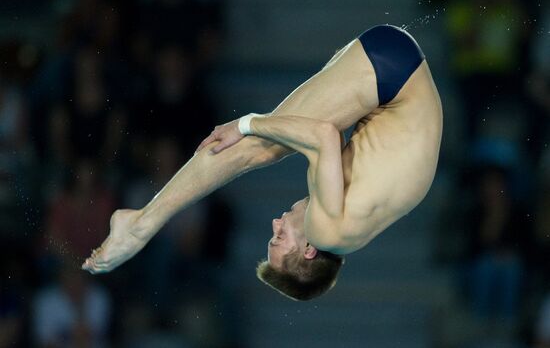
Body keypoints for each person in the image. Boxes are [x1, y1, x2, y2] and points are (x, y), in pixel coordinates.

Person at [83, 25, 443, 301]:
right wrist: (245, 124)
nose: (276, 223)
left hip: (397, 71)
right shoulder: (327, 230)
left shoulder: (349, 232)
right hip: (393, 75)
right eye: (279, 238)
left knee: (279, 139)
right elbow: (323, 136)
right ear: (308, 250)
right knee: (259, 148)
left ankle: (143, 222)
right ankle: (141, 225)